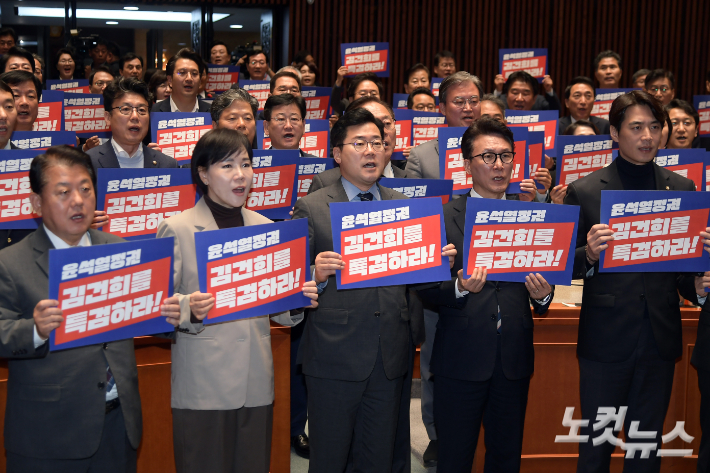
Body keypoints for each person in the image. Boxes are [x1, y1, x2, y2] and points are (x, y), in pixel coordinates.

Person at [292, 108, 454, 472]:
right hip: (333, 355)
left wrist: (439, 260)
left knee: (379, 459)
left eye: (377, 143)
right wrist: (314, 273)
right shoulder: (312, 207)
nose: (370, 151)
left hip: (389, 354)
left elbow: (425, 284)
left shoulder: (406, 208)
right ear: (337, 154)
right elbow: (289, 284)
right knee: (330, 459)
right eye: (359, 143)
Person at [156, 128, 317, 473]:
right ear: (202, 173)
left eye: (246, 164)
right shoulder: (178, 227)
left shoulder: (264, 227)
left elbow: (278, 312)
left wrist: (297, 297)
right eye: (227, 166)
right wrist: (191, 310)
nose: (240, 175)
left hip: (256, 379)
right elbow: (160, 307)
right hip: (204, 383)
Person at [563, 90, 702, 472]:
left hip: (658, 336)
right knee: (597, 445)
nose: (647, 136)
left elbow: (683, 273)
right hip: (606, 338)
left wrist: (700, 289)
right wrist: (588, 254)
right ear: (614, 132)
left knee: (646, 446)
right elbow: (565, 265)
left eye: (655, 127)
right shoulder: (587, 190)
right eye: (636, 127)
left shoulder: (682, 190)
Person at [417, 117, 553, 472]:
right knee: (455, 458)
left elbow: (543, 284)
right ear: (467, 165)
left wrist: (542, 297)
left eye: (505, 156)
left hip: (513, 358)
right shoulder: (443, 216)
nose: (498, 165)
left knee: (506, 458)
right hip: (460, 359)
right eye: (488, 156)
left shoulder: (532, 217)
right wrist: (459, 287)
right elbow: (426, 289)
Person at [0, 145, 142, 472]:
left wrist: (175, 311)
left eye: (85, 189)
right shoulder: (10, 263)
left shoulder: (118, 249)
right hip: (48, 433)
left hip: (119, 422)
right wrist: (34, 330)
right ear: (36, 202)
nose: (78, 200)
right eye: (63, 192)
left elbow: (147, 313)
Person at [310, 96, 408, 195]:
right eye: (360, 143)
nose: (381, 131)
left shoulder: (413, 180)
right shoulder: (324, 183)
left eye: (387, 123)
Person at [87, 77, 178, 172]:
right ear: (108, 117)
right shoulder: (88, 163)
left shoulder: (167, 165)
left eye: (142, 110)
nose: (135, 116)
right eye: (126, 109)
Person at [406, 71, 482, 180]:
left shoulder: (500, 150)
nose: (468, 108)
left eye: (474, 101)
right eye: (459, 102)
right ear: (442, 108)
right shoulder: (420, 156)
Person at [152, 49, 211, 113]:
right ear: (170, 80)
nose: (189, 78)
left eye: (194, 73)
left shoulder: (212, 113)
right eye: (182, 73)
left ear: (200, 81)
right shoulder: (153, 112)